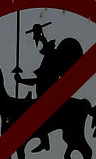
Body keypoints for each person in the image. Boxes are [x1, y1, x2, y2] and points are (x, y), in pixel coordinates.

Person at [14, 22, 83, 152]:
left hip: (47, 96)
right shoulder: (48, 61)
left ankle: (45, 142)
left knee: (34, 116)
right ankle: (44, 141)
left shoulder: (51, 60)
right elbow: (36, 81)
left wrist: (41, 37)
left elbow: (40, 77)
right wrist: (21, 81)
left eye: (45, 50)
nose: (42, 52)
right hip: (42, 94)